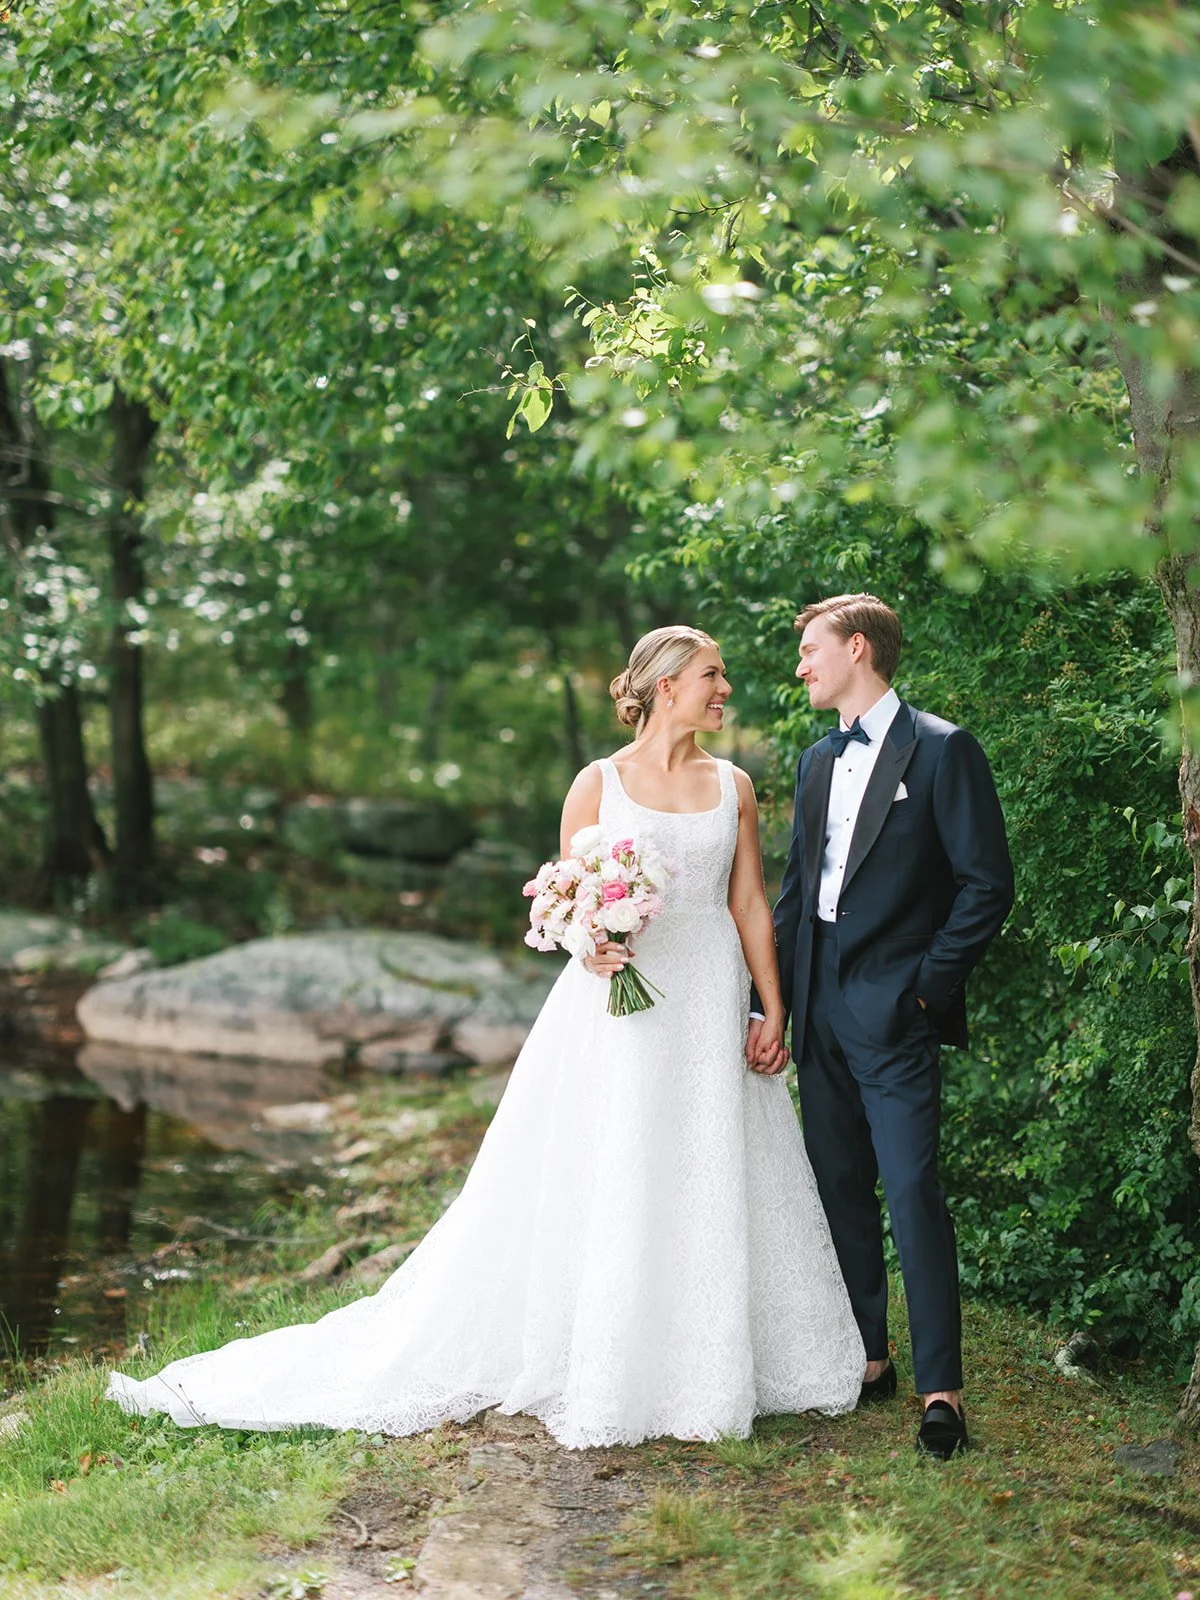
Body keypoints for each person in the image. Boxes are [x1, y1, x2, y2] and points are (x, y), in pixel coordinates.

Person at [108, 624, 865, 1449]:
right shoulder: (597, 784)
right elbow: (567, 902)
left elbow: (751, 903)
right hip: (622, 1013)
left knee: (711, 1169)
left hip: (707, 1001)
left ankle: (713, 1359)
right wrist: (594, 944)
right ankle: (615, 1358)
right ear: (667, 684)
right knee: (623, 1165)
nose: (726, 689)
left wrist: (771, 1007)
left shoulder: (735, 785)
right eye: (714, 675)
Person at [748, 593, 1013, 1460]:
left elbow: (986, 885)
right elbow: (795, 891)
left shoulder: (943, 750)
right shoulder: (817, 758)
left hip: (895, 1012)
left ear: (857, 648)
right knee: (839, 1192)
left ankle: (943, 1391)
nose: (801, 667)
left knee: (912, 1194)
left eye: (811, 651)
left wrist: (926, 990)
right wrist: (772, 1000)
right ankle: (869, 1356)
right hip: (818, 1005)